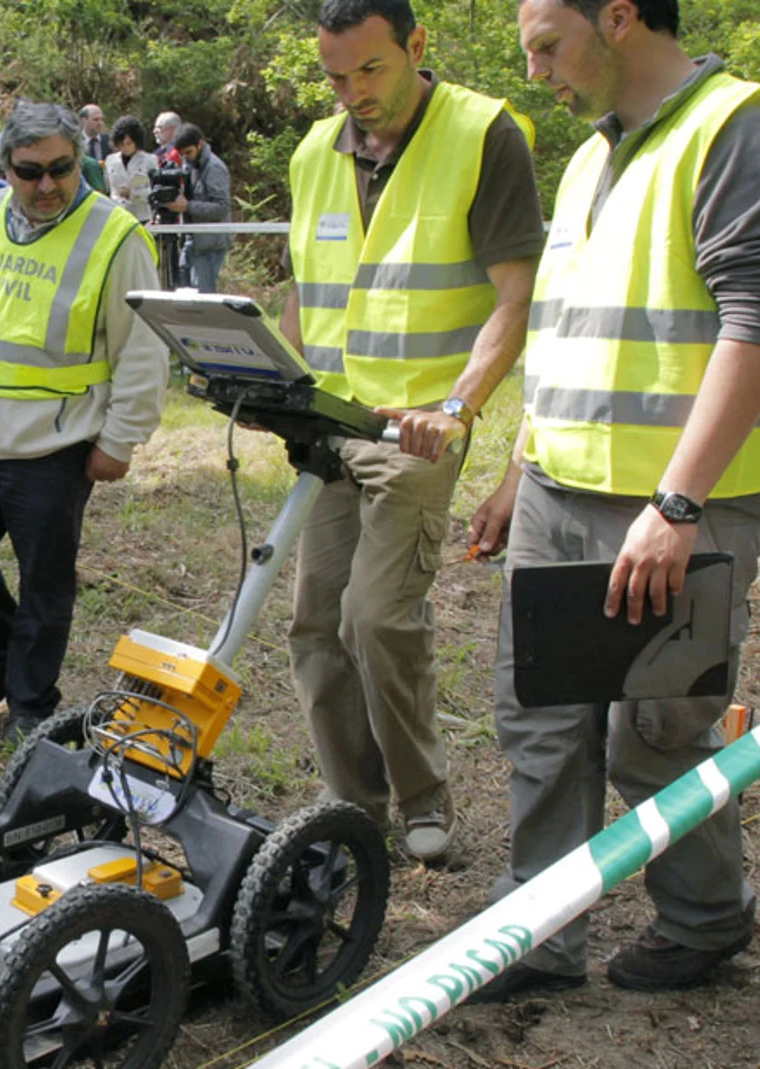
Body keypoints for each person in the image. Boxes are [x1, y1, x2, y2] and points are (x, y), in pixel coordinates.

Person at [467, 0, 760, 1000]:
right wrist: (514, 470)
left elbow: (757, 325)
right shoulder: (589, 155)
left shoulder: (740, 130)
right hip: (558, 487)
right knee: (540, 717)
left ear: (617, 17)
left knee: (654, 731)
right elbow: (568, 333)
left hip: (676, 508)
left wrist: (676, 505)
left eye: (547, 46)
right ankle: (538, 930)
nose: (535, 72)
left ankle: (708, 920)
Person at [280, 0, 543, 864]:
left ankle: (423, 794)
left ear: (416, 47)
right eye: (335, 76)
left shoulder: (483, 134)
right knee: (317, 625)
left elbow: (515, 295)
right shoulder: (315, 153)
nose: (353, 92)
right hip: (332, 424)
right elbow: (308, 289)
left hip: (420, 429)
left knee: (376, 618)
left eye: (371, 70)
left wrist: (459, 407)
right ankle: (353, 807)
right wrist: (279, 381)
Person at [0, 101, 167, 743]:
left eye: (63, 168)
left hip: (56, 443)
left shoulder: (116, 236)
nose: (49, 185)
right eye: (31, 172)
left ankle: (32, 700)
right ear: (3, 165)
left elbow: (143, 349)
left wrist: (121, 439)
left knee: (45, 581)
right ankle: (3, 664)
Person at [162, 124, 232, 292]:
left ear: (200, 144)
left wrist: (188, 206)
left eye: (189, 153)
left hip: (210, 246)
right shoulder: (189, 165)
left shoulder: (214, 168)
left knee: (203, 300)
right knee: (185, 295)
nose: (186, 158)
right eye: (182, 154)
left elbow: (222, 208)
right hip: (192, 242)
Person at [104, 116, 160, 225]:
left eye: (129, 143)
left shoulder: (150, 160)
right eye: (121, 144)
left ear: (136, 141)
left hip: (142, 218)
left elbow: (155, 192)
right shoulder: (110, 160)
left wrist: (132, 194)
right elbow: (109, 189)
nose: (125, 147)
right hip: (118, 217)